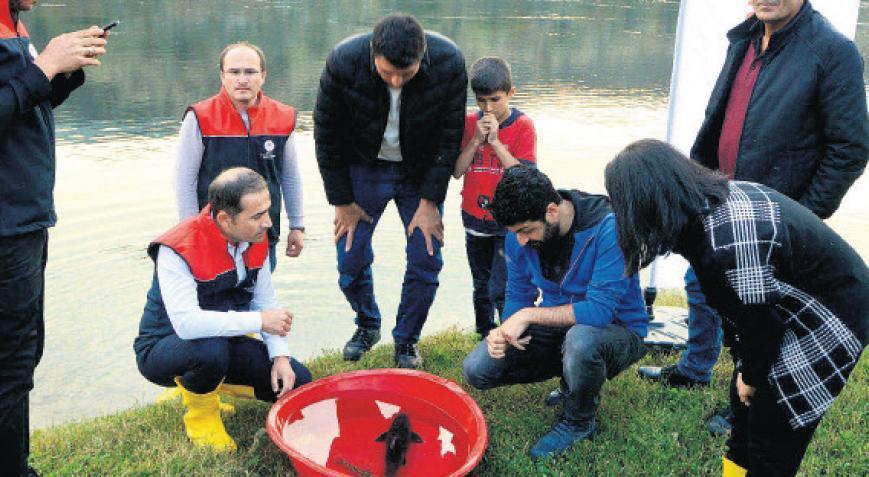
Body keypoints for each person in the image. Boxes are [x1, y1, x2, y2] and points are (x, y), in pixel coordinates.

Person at [639, 0, 868, 403]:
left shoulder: (832, 50)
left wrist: (802, 218)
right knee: (700, 283)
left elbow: (849, 149)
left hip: (771, 223)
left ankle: (751, 395)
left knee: (758, 314)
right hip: (720, 198)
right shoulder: (744, 36)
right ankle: (695, 368)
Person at [605, 139, 867, 477]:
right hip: (781, 307)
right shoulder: (708, 203)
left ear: (647, 204)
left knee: (774, 433)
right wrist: (745, 373)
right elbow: (750, 316)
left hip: (829, 317)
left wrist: (753, 376)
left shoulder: (721, 252)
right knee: (742, 408)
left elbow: (764, 330)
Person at [462, 167, 648, 460]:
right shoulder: (519, 236)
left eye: (526, 230)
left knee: (582, 340)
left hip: (617, 330)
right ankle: (571, 378)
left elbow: (599, 312)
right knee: (477, 368)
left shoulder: (611, 228)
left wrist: (528, 316)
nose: (520, 241)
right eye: (514, 233)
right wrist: (508, 328)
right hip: (563, 328)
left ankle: (578, 421)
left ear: (551, 210)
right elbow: (518, 294)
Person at [314, 13, 467, 368]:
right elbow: (326, 136)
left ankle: (407, 340)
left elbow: (449, 138)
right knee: (349, 255)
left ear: (423, 55)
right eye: (387, 74)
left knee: (427, 257)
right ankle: (367, 324)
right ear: (372, 53)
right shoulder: (342, 61)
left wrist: (431, 201)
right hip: (364, 168)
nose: (397, 82)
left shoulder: (449, 62)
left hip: (419, 171)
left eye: (407, 74)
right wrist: (342, 202)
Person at [1, 1, 110, 474]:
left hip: (24, 218)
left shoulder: (13, 21)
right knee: (10, 360)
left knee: (23, 352)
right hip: (5, 228)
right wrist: (44, 65)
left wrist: (61, 74)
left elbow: (19, 109)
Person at [134, 168, 312, 452]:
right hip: (163, 347)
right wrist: (260, 321)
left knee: (300, 383)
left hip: (222, 340)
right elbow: (187, 325)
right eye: (256, 216)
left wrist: (279, 355)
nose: (267, 222)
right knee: (208, 351)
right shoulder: (176, 248)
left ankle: (207, 383)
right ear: (225, 219)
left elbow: (266, 302)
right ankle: (202, 415)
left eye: (268, 211)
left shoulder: (257, 237)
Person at [175, 41, 304, 271]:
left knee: (259, 301)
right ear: (222, 76)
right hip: (213, 235)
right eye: (234, 72)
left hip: (262, 234)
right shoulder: (199, 117)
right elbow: (185, 181)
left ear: (263, 75)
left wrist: (297, 225)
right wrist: (190, 233)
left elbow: (290, 176)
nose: (242, 79)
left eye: (250, 72)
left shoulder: (283, 117)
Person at [453, 56, 537, 339]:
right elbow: (456, 171)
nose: (488, 108)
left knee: (504, 284)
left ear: (511, 94)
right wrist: (476, 140)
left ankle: (511, 333)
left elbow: (524, 176)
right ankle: (484, 333)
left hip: (509, 223)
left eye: (495, 100)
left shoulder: (523, 125)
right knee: (481, 283)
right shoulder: (468, 123)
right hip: (474, 218)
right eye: (481, 100)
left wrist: (496, 143)